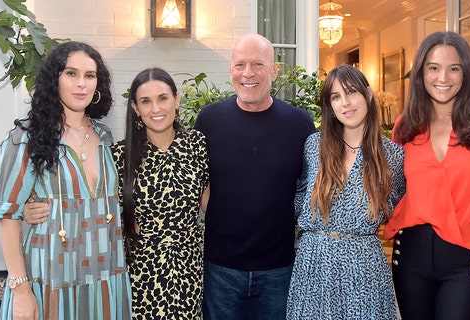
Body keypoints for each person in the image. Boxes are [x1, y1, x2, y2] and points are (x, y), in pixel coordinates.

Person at [0, 41, 132, 320]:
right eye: (71, 73)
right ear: (54, 79)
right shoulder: (27, 135)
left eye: (89, 76)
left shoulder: (104, 136)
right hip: (50, 279)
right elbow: (7, 216)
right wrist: (20, 290)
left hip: (103, 277)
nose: (81, 84)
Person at [384, 31, 470, 320]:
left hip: (465, 257)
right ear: (421, 73)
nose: (443, 78)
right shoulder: (405, 125)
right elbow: (394, 186)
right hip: (410, 253)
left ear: (466, 73)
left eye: (454, 68)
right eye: (433, 68)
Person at [193, 33, 315, 319]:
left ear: (274, 70)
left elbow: (313, 187)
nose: (247, 73)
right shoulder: (208, 120)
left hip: (280, 270)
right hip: (221, 270)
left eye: (258, 64)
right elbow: (196, 181)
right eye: (239, 65)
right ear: (230, 70)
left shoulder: (299, 123)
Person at [286, 64, 406, 319]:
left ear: (368, 95)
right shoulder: (313, 146)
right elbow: (296, 196)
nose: (346, 103)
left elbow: (400, 209)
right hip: (314, 265)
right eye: (336, 97)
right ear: (329, 105)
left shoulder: (392, 155)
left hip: (365, 269)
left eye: (351, 92)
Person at [111, 68, 209, 319]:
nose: (156, 109)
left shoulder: (196, 145)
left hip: (189, 270)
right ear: (135, 108)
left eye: (163, 98)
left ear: (177, 100)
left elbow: (211, 204)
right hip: (141, 274)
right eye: (146, 101)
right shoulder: (120, 155)